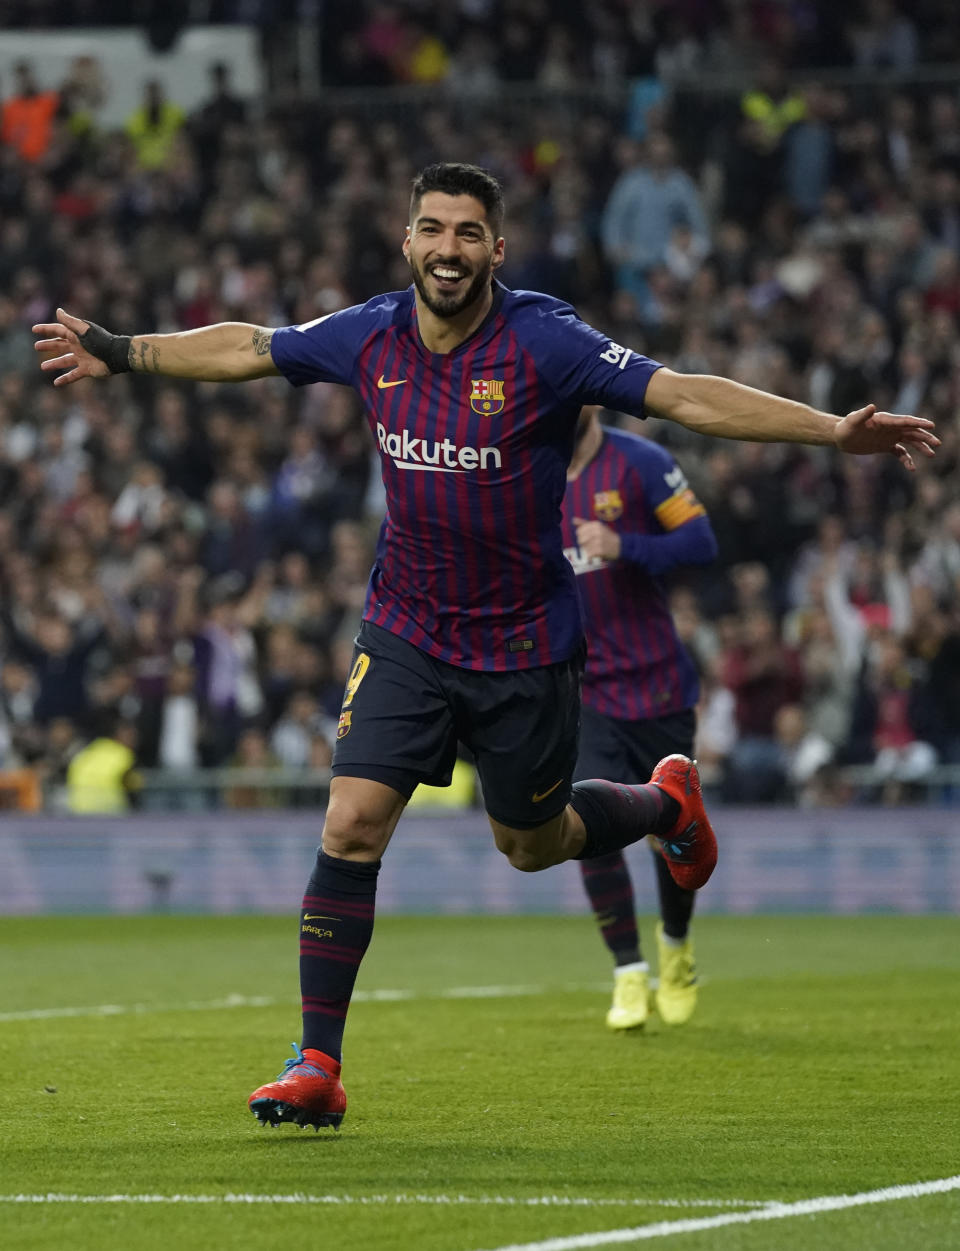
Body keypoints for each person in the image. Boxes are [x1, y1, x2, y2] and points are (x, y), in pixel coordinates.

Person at [34, 162, 938, 1131]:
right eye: (433, 230)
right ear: (409, 239)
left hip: (524, 648)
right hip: (408, 630)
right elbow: (251, 348)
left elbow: (681, 395)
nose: (448, 250)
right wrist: (123, 352)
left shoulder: (546, 342)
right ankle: (317, 1064)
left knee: (529, 843)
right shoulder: (371, 334)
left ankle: (664, 801)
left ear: (497, 249)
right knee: (348, 824)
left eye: (469, 233)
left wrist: (828, 433)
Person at [564, 406, 717, 1030]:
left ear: (591, 401)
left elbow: (700, 542)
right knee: (583, 821)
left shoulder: (640, 462)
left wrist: (625, 545)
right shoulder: (530, 470)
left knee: (670, 831)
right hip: (583, 691)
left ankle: (675, 949)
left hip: (656, 686)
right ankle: (628, 973)